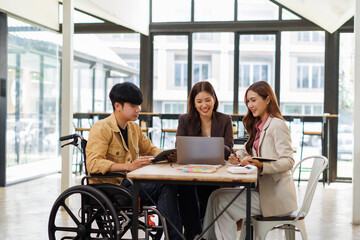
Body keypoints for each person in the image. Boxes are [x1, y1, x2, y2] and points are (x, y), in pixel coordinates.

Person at [202, 81, 298, 240]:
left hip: (275, 198)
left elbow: (288, 161)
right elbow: (247, 149)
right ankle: (207, 238)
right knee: (215, 196)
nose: (250, 105)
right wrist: (237, 156)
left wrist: (262, 165)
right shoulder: (260, 124)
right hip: (262, 192)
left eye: (254, 100)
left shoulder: (277, 125)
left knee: (221, 202)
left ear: (267, 99)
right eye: (248, 101)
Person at [86, 82, 182, 240]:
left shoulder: (133, 128)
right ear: (118, 106)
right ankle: (175, 237)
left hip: (130, 183)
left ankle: (181, 234)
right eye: (133, 105)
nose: (138, 109)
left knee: (175, 183)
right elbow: (93, 164)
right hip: (112, 187)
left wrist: (167, 155)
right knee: (166, 185)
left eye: (139, 105)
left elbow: (150, 149)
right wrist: (129, 166)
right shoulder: (101, 128)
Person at [176, 81, 234, 239]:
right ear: (193, 103)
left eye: (208, 100)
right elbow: (179, 146)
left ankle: (209, 233)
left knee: (209, 192)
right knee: (184, 187)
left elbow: (228, 148)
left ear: (214, 99)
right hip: (191, 173)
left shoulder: (224, 120)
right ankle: (194, 234)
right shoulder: (185, 120)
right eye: (199, 101)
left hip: (216, 174)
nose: (204, 105)